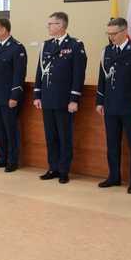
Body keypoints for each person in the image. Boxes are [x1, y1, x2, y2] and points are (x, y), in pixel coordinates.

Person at [95, 18, 131, 194]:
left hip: (130, 107)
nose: (111, 38)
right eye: (108, 34)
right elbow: (102, 79)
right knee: (112, 144)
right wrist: (100, 101)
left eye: (114, 34)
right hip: (110, 106)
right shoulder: (107, 52)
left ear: (125, 31)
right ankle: (114, 176)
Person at [33, 12, 86, 184]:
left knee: (65, 137)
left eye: (51, 24)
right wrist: (37, 95)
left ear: (61, 25)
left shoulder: (75, 45)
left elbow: (78, 75)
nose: (48, 26)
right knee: (50, 136)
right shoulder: (46, 45)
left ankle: (64, 170)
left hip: (64, 100)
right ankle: (53, 167)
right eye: (48, 24)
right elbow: (39, 71)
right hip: (48, 98)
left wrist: (74, 99)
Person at [0, 18, 27, 173]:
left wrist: (14, 96)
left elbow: (19, 75)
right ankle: (1, 157)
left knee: (11, 130)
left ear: (4, 30)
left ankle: (12, 160)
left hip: (9, 97)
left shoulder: (17, 48)